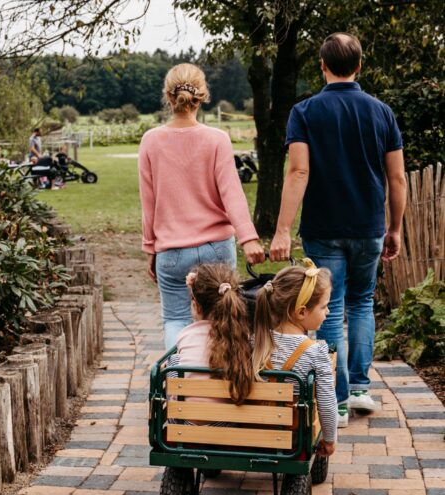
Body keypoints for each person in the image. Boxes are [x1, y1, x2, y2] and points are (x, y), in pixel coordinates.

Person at [270, 32, 407, 427]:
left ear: (322, 65)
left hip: (323, 226)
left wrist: (282, 230)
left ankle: (338, 398)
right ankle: (361, 388)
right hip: (369, 227)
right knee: (361, 302)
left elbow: (298, 170)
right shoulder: (382, 112)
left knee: (327, 307)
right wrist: (394, 228)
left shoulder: (306, 112)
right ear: (359, 66)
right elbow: (396, 179)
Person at [139, 63, 264, 350]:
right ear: (202, 96)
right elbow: (232, 193)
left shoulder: (150, 140)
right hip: (217, 247)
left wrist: (150, 248)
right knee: (224, 318)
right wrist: (248, 238)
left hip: (171, 251)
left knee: (175, 320)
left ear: (168, 97)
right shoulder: (216, 139)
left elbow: (149, 202)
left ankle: (178, 387)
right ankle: (221, 383)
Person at [252, 259, 337, 456]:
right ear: (301, 312)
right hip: (292, 440)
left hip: (251, 429)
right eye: (324, 307)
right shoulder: (316, 352)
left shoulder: (254, 342)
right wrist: (330, 439)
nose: (328, 311)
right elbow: (327, 402)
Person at [167, 263, 253, 417]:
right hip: (232, 426)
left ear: (196, 306)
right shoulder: (244, 336)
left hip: (185, 429)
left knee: (173, 361)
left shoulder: (186, 335)